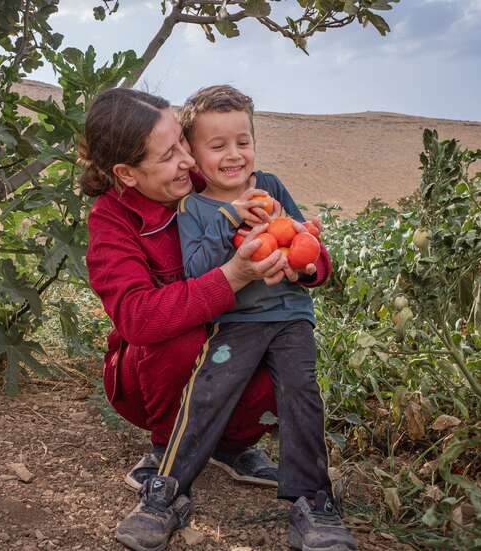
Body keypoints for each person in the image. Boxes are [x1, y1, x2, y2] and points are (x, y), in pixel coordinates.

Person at [115, 85, 357, 551]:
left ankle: (314, 502)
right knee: (207, 392)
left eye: (242, 142)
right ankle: (165, 492)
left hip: (290, 318)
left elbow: (311, 250)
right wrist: (230, 219)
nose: (234, 155)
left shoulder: (272, 187)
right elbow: (198, 270)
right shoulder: (195, 208)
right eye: (217, 145)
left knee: (302, 396)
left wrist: (306, 264)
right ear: (194, 153)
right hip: (236, 323)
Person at [82, 88, 303, 494]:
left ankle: (232, 446)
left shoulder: (208, 181)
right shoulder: (111, 223)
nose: (187, 160)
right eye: (167, 156)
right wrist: (233, 277)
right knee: (177, 331)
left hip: (230, 346)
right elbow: (138, 318)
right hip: (149, 372)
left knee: (281, 345)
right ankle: (168, 445)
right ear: (127, 174)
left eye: (182, 141)